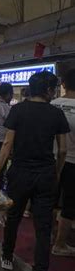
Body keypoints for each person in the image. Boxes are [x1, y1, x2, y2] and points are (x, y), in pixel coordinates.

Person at [0, 71, 69, 271]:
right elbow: (63, 149)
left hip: (20, 172)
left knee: (13, 217)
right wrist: (56, 171)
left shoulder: (18, 110)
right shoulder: (56, 113)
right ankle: (40, 268)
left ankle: (7, 256)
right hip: (45, 174)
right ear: (49, 90)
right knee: (43, 225)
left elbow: (7, 144)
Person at [51, 69, 75, 257]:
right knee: (69, 204)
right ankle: (60, 244)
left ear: (63, 84)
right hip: (73, 162)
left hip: (51, 160)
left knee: (50, 200)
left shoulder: (52, 105)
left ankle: (51, 235)